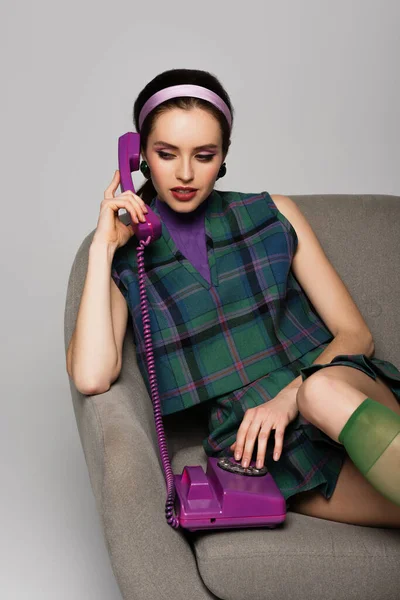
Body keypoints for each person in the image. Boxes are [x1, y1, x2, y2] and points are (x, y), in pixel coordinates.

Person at [67, 68, 400, 527]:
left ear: (223, 157)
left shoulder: (274, 212)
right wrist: (103, 247)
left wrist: (291, 397)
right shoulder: (127, 255)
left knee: (321, 392)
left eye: (204, 155)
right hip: (262, 448)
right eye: (166, 154)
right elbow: (91, 376)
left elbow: (356, 334)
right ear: (139, 156)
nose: (185, 173)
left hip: (337, 388)